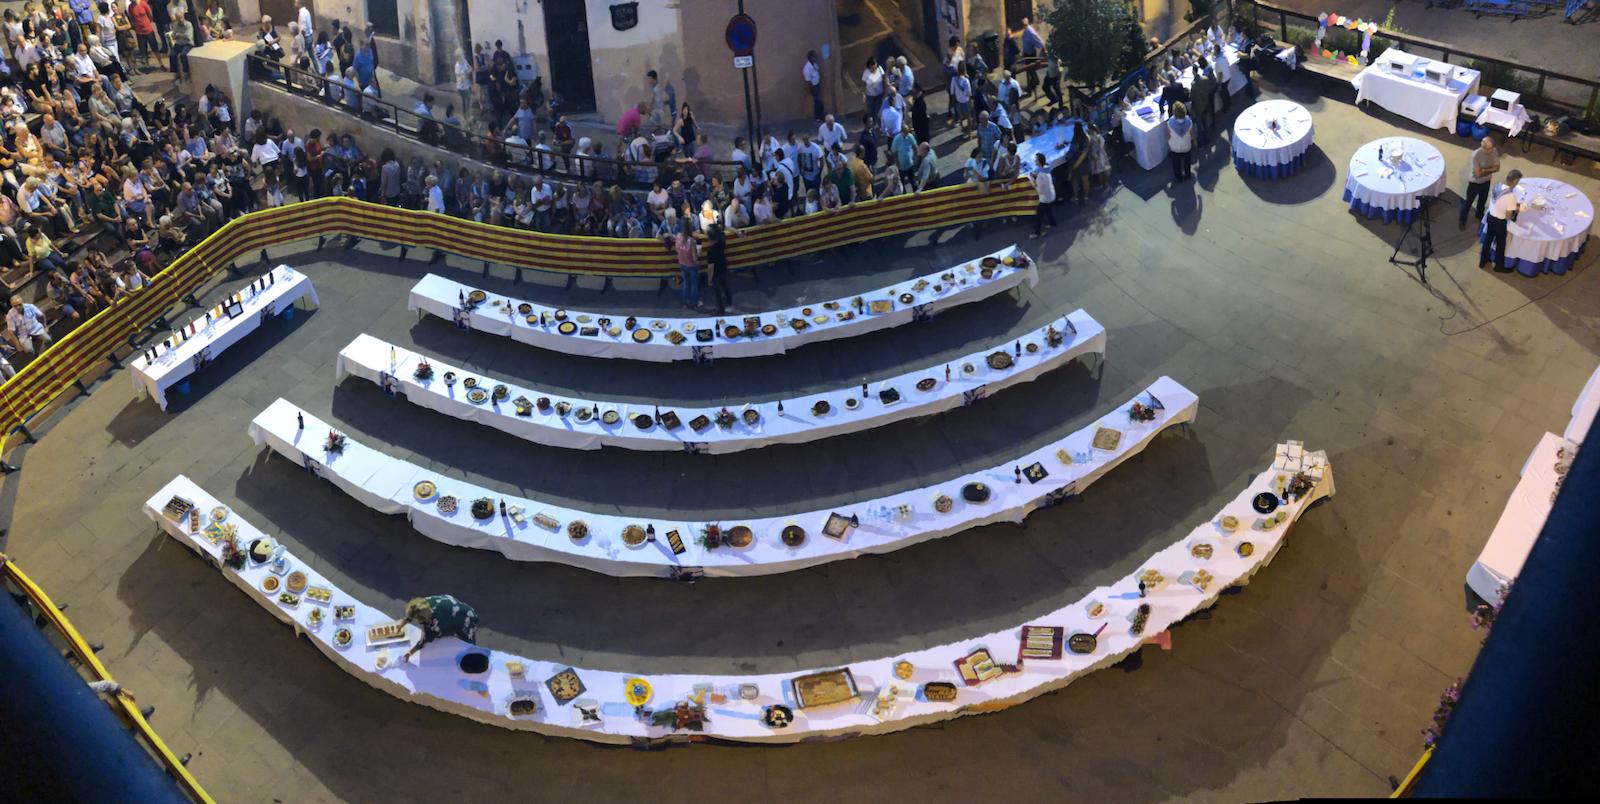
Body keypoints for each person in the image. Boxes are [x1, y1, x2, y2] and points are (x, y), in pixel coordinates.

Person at [399, 595, 480, 663]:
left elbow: (423, 641)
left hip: (466, 620)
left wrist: (409, 653)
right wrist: (400, 626)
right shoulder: (425, 602)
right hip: (464, 609)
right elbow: (413, 613)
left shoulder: (434, 624)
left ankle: (473, 653)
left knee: (467, 640)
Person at [1481, 169, 1522, 273]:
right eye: (1518, 181)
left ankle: (1482, 261)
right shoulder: (1510, 196)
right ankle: (1499, 267)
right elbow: (1508, 216)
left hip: (1490, 217)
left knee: (1488, 240)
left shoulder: (1497, 186)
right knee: (1500, 244)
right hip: (1499, 222)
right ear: (1515, 181)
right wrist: (1514, 210)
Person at [1459, 136, 1500, 229]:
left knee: (1482, 201)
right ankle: (1462, 220)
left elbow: (1497, 168)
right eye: (1483, 147)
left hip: (1486, 182)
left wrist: (1484, 170)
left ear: (1492, 148)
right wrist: (1490, 170)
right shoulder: (1476, 155)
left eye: (1487, 149)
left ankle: (1479, 215)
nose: (1484, 150)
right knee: (1468, 203)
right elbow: (1477, 174)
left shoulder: (1494, 152)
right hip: (1474, 183)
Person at [705, 217, 732, 314]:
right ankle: (729, 301)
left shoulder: (710, 251)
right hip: (723, 268)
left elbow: (710, 267)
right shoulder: (722, 241)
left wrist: (709, 279)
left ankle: (721, 310)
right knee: (725, 286)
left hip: (716, 274)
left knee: (717, 293)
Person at [671, 225, 699, 308]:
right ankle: (694, 303)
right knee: (694, 284)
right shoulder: (692, 241)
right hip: (691, 266)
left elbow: (677, 249)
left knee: (685, 283)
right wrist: (698, 262)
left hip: (682, 264)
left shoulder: (678, 237)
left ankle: (684, 302)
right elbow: (694, 257)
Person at [1189, 62, 1217, 145]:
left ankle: (1202, 140)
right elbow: (1208, 88)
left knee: (1199, 124)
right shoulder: (1205, 79)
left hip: (1198, 106)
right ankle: (1207, 138)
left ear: (1194, 71)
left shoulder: (1193, 84)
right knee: (1205, 122)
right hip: (1205, 103)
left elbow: (1191, 97)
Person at [1166, 102, 1194, 182]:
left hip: (1175, 147)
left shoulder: (1170, 122)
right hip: (1186, 145)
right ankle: (1187, 175)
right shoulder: (1189, 120)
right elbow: (1192, 133)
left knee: (1176, 163)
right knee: (1187, 161)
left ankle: (1179, 177)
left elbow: (1169, 135)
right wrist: (1194, 141)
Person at [803, 50, 823, 121]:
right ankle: (817, 117)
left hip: (817, 84)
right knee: (818, 101)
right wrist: (812, 89)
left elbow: (817, 71)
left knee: (819, 101)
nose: (816, 58)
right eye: (814, 57)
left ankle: (820, 115)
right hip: (814, 87)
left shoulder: (814, 64)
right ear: (810, 58)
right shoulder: (807, 69)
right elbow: (808, 81)